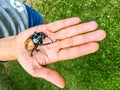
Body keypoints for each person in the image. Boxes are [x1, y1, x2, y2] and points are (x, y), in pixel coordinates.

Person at [0, 0, 106, 88]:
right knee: (39, 45)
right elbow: (35, 42)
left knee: (43, 29)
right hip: (25, 39)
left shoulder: (36, 36)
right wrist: (13, 46)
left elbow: (36, 38)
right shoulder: (36, 40)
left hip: (19, 10)